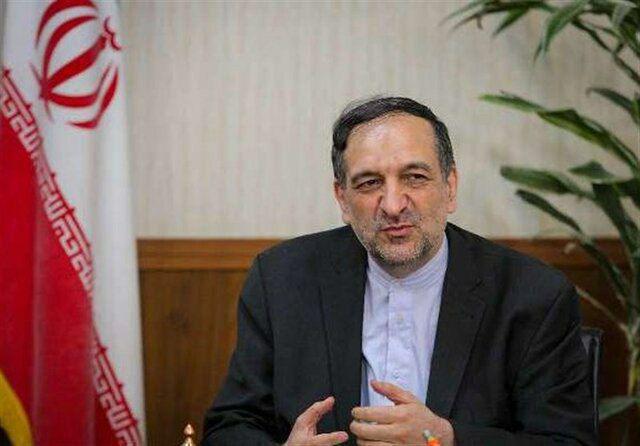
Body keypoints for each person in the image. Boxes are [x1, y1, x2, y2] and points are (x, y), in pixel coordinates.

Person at [203, 97, 596, 445]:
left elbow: (567, 441)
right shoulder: (281, 281)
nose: (392, 205)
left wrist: (446, 439)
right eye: (369, 182)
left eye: (415, 177)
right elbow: (229, 426)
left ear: (450, 187)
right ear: (343, 199)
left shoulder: (533, 296)